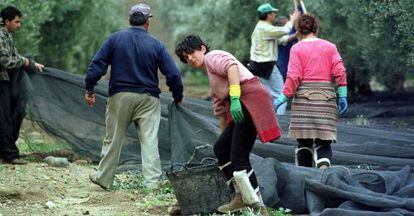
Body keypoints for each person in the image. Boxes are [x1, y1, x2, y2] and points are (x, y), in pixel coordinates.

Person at [175, 35, 281, 215]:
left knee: (239, 157)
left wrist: (234, 96)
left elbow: (231, 66)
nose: (190, 59)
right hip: (242, 102)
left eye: (191, 53)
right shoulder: (212, 77)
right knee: (222, 150)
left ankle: (258, 207)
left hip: (250, 99)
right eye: (186, 58)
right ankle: (241, 195)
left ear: (202, 48)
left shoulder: (212, 56)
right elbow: (220, 111)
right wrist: (225, 137)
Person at [85, 3, 184, 190]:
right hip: (148, 99)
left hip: (120, 96)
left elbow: (97, 65)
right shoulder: (156, 45)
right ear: (148, 21)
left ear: (129, 20)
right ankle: (152, 184)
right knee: (149, 141)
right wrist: (177, 95)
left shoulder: (115, 39)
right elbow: (173, 74)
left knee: (113, 138)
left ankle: (103, 178)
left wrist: (90, 88)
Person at [274, 14, 348, 169]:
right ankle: (323, 170)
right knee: (324, 143)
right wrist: (342, 95)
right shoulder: (330, 47)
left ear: (299, 30)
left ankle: (306, 176)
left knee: (304, 142)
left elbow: (294, 76)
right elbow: (340, 72)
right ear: (317, 29)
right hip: (326, 99)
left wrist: (282, 97)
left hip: (304, 101)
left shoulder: (296, 48)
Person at [0, 6, 44, 165]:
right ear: (6, 21)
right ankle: (10, 155)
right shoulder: (0, 36)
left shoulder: (6, 36)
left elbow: (14, 56)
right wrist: (25, 62)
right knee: (4, 118)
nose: (19, 25)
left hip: (4, 81)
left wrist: (31, 63)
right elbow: (5, 60)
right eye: (16, 22)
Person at [249, 3, 298, 115]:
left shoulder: (261, 27)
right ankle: (279, 122)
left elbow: (281, 40)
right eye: (273, 13)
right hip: (266, 66)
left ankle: (268, 121)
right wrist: (292, 20)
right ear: (268, 15)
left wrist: (294, 36)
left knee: (268, 95)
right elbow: (284, 31)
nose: (275, 15)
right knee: (281, 93)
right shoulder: (265, 28)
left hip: (257, 66)